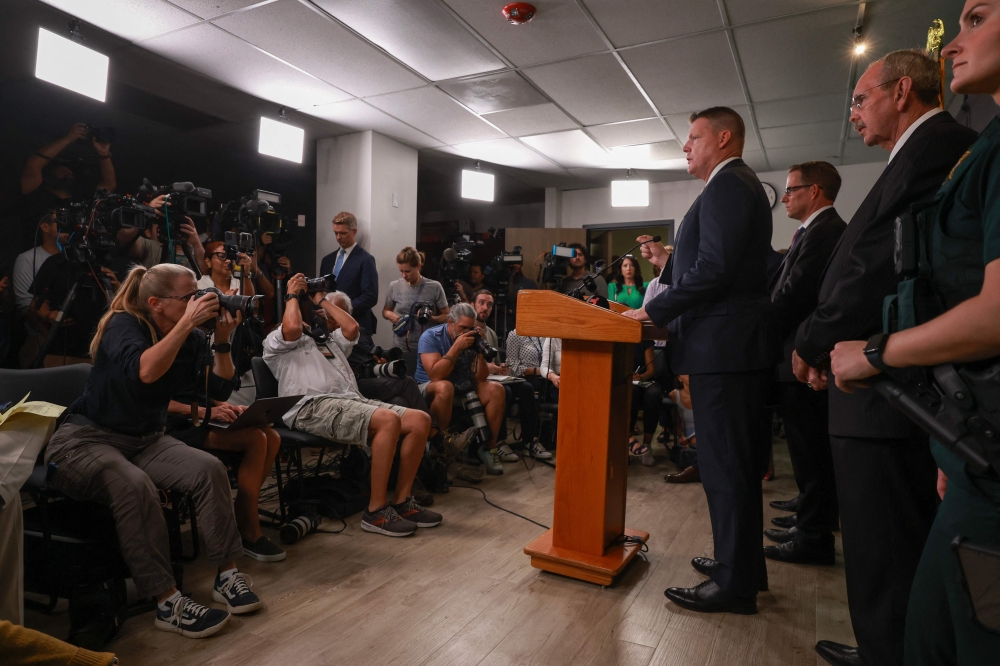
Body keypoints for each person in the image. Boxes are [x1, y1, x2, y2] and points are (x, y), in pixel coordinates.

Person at [790, 50, 979, 666]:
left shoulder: (937, 147)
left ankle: (887, 650)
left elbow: (875, 268)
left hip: (886, 387)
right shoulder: (913, 156)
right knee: (878, 547)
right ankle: (882, 644)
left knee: (886, 544)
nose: (853, 114)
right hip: (869, 373)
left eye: (860, 98)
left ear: (902, 92)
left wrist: (813, 339)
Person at [830, 6, 1000, 662]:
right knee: (928, 636)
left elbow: (990, 313)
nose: (953, 42)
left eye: (977, 17)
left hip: (985, 456)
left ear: (900, 94)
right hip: (966, 449)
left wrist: (876, 353)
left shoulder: (958, 150)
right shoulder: (977, 150)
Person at [43, 263, 262, 639]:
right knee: (133, 484)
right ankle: (167, 603)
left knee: (209, 470)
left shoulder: (190, 339)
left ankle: (227, 575)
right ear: (156, 303)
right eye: (189, 296)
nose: (199, 301)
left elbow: (221, 390)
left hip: (145, 439)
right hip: (84, 440)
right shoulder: (123, 325)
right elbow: (144, 371)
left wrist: (224, 338)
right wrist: (187, 325)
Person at [625, 106, 775, 614]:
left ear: (724, 137)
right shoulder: (729, 186)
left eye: (693, 137)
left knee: (726, 467)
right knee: (728, 466)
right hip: (724, 345)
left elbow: (715, 269)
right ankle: (741, 564)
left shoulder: (729, 185)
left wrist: (654, 308)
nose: (685, 146)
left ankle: (736, 585)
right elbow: (713, 263)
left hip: (725, 348)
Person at [263, 274, 439, 537]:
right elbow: (291, 329)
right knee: (389, 420)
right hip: (310, 407)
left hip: (350, 401)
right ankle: (376, 512)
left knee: (420, 420)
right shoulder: (277, 343)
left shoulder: (326, 340)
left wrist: (321, 298)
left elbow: (352, 328)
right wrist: (291, 295)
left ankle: (402, 501)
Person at [765, 161, 846, 567]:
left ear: (815, 191)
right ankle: (809, 517)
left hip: (803, 355)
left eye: (791, 189)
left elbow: (795, 295)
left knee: (810, 448)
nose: (784, 197)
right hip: (796, 351)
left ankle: (813, 535)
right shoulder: (811, 231)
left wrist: (755, 325)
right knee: (804, 447)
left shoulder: (827, 230)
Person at [165, 398, 284, 562]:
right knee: (256, 438)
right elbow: (157, 400)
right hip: (176, 424)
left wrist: (223, 405)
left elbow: (211, 388)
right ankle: (249, 528)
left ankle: (242, 515)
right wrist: (202, 410)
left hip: (203, 417)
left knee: (273, 437)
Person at [414, 303, 507, 475]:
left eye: (471, 328)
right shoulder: (431, 336)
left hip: (461, 386)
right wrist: (456, 347)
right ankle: (440, 448)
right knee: (445, 387)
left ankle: (489, 448)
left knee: (496, 389)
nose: (467, 332)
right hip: (428, 387)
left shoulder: (471, 337)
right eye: (462, 327)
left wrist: (480, 350)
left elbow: (481, 378)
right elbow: (435, 375)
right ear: (450, 322)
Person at [19, 123, 115, 254]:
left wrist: (103, 154)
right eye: (60, 169)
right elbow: (34, 164)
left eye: (68, 169)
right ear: (48, 175)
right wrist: (68, 138)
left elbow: (109, 185)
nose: (66, 171)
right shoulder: (37, 195)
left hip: (75, 256)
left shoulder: (80, 197)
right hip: (39, 256)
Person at [27, 250, 121, 367]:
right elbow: (36, 304)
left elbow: (133, 307)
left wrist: (118, 287)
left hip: (105, 350)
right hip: (62, 349)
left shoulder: (116, 262)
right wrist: (48, 315)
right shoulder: (58, 263)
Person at [319, 212, 379, 333]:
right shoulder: (327, 260)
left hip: (356, 323)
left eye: (343, 233)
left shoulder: (365, 260)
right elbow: (322, 290)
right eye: (336, 233)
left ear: (354, 232)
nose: (338, 237)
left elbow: (370, 296)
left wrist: (338, 310)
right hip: (329, 325)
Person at [382, 247, 449, 353]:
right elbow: (385, 311)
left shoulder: (434, 287)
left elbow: (446, 316)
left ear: (418, 266)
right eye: (401, 271)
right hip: (401, 344)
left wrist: (433, 318)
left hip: (428, 345)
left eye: (407, 271)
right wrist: (392, 316)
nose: (404, 275)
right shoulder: (394, 286)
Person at [504, 328, 553, 459]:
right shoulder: (515, 334)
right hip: (525, 376)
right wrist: (538, 370)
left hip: (544, 376)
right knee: (529, 388)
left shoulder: (543, 334)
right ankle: (530, 441)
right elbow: (512, 366)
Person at [628, 338, 660, 466]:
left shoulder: (644, 340)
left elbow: (651, 370)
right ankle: (628, 443)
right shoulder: (616, 336)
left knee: (654, 394)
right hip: (625, 381)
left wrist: (640, 377)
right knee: (632, 392)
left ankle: (647, 445)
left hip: (643, 379)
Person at [664, 375, 699, 483]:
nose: (688, 376)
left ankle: (695, 469)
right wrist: (681, 436)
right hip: (687, 431)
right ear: (679, 378)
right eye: (685, 373)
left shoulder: (702, 391)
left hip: (701, 428)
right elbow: (677, 422)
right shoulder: (674, 394)